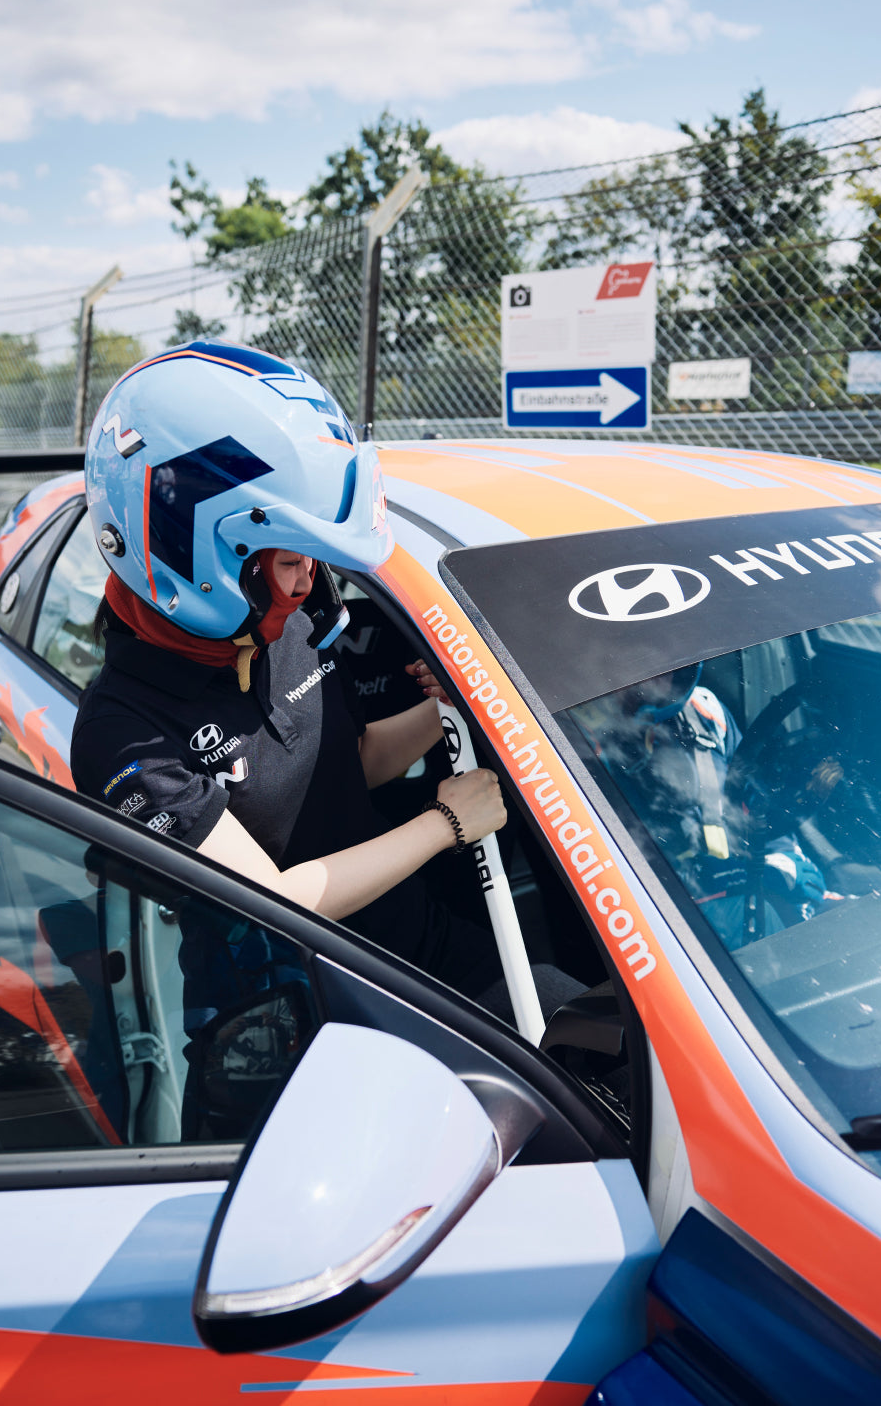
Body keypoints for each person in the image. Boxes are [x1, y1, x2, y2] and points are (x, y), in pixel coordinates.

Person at [71, 340, 582, 1033]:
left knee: (576, 1024)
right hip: (282, 1010)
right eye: (287, 557)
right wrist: (445, 824)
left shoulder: (287, 614)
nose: (308, 579)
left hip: (408, 940)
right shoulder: (123, 733)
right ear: (190, 552)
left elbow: (355, 759)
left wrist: (447, 705)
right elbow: (271, 901)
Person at [572, 664, 834, 949]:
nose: (660, 673)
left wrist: (782, 863)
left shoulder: (704, 711)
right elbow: (603, 882)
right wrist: (723, 882)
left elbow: (755, 808)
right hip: (662, 932)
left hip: (744, 895)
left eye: (665, 657)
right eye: (640, 659)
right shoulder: (571, 747)